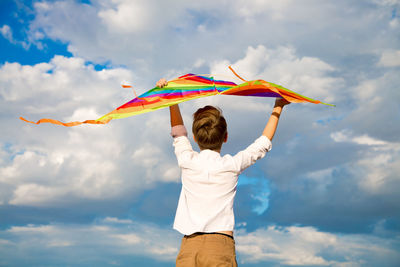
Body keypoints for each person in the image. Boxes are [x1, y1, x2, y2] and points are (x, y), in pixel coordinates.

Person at [156, 78, 290, 267]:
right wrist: (278, 107)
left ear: (194, 137)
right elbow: (262, 144)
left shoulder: (187, 161)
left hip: (189, 247)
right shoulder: (231, 165)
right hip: (220, 247)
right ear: (225, 137)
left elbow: (178, 133)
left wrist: (171, 96)